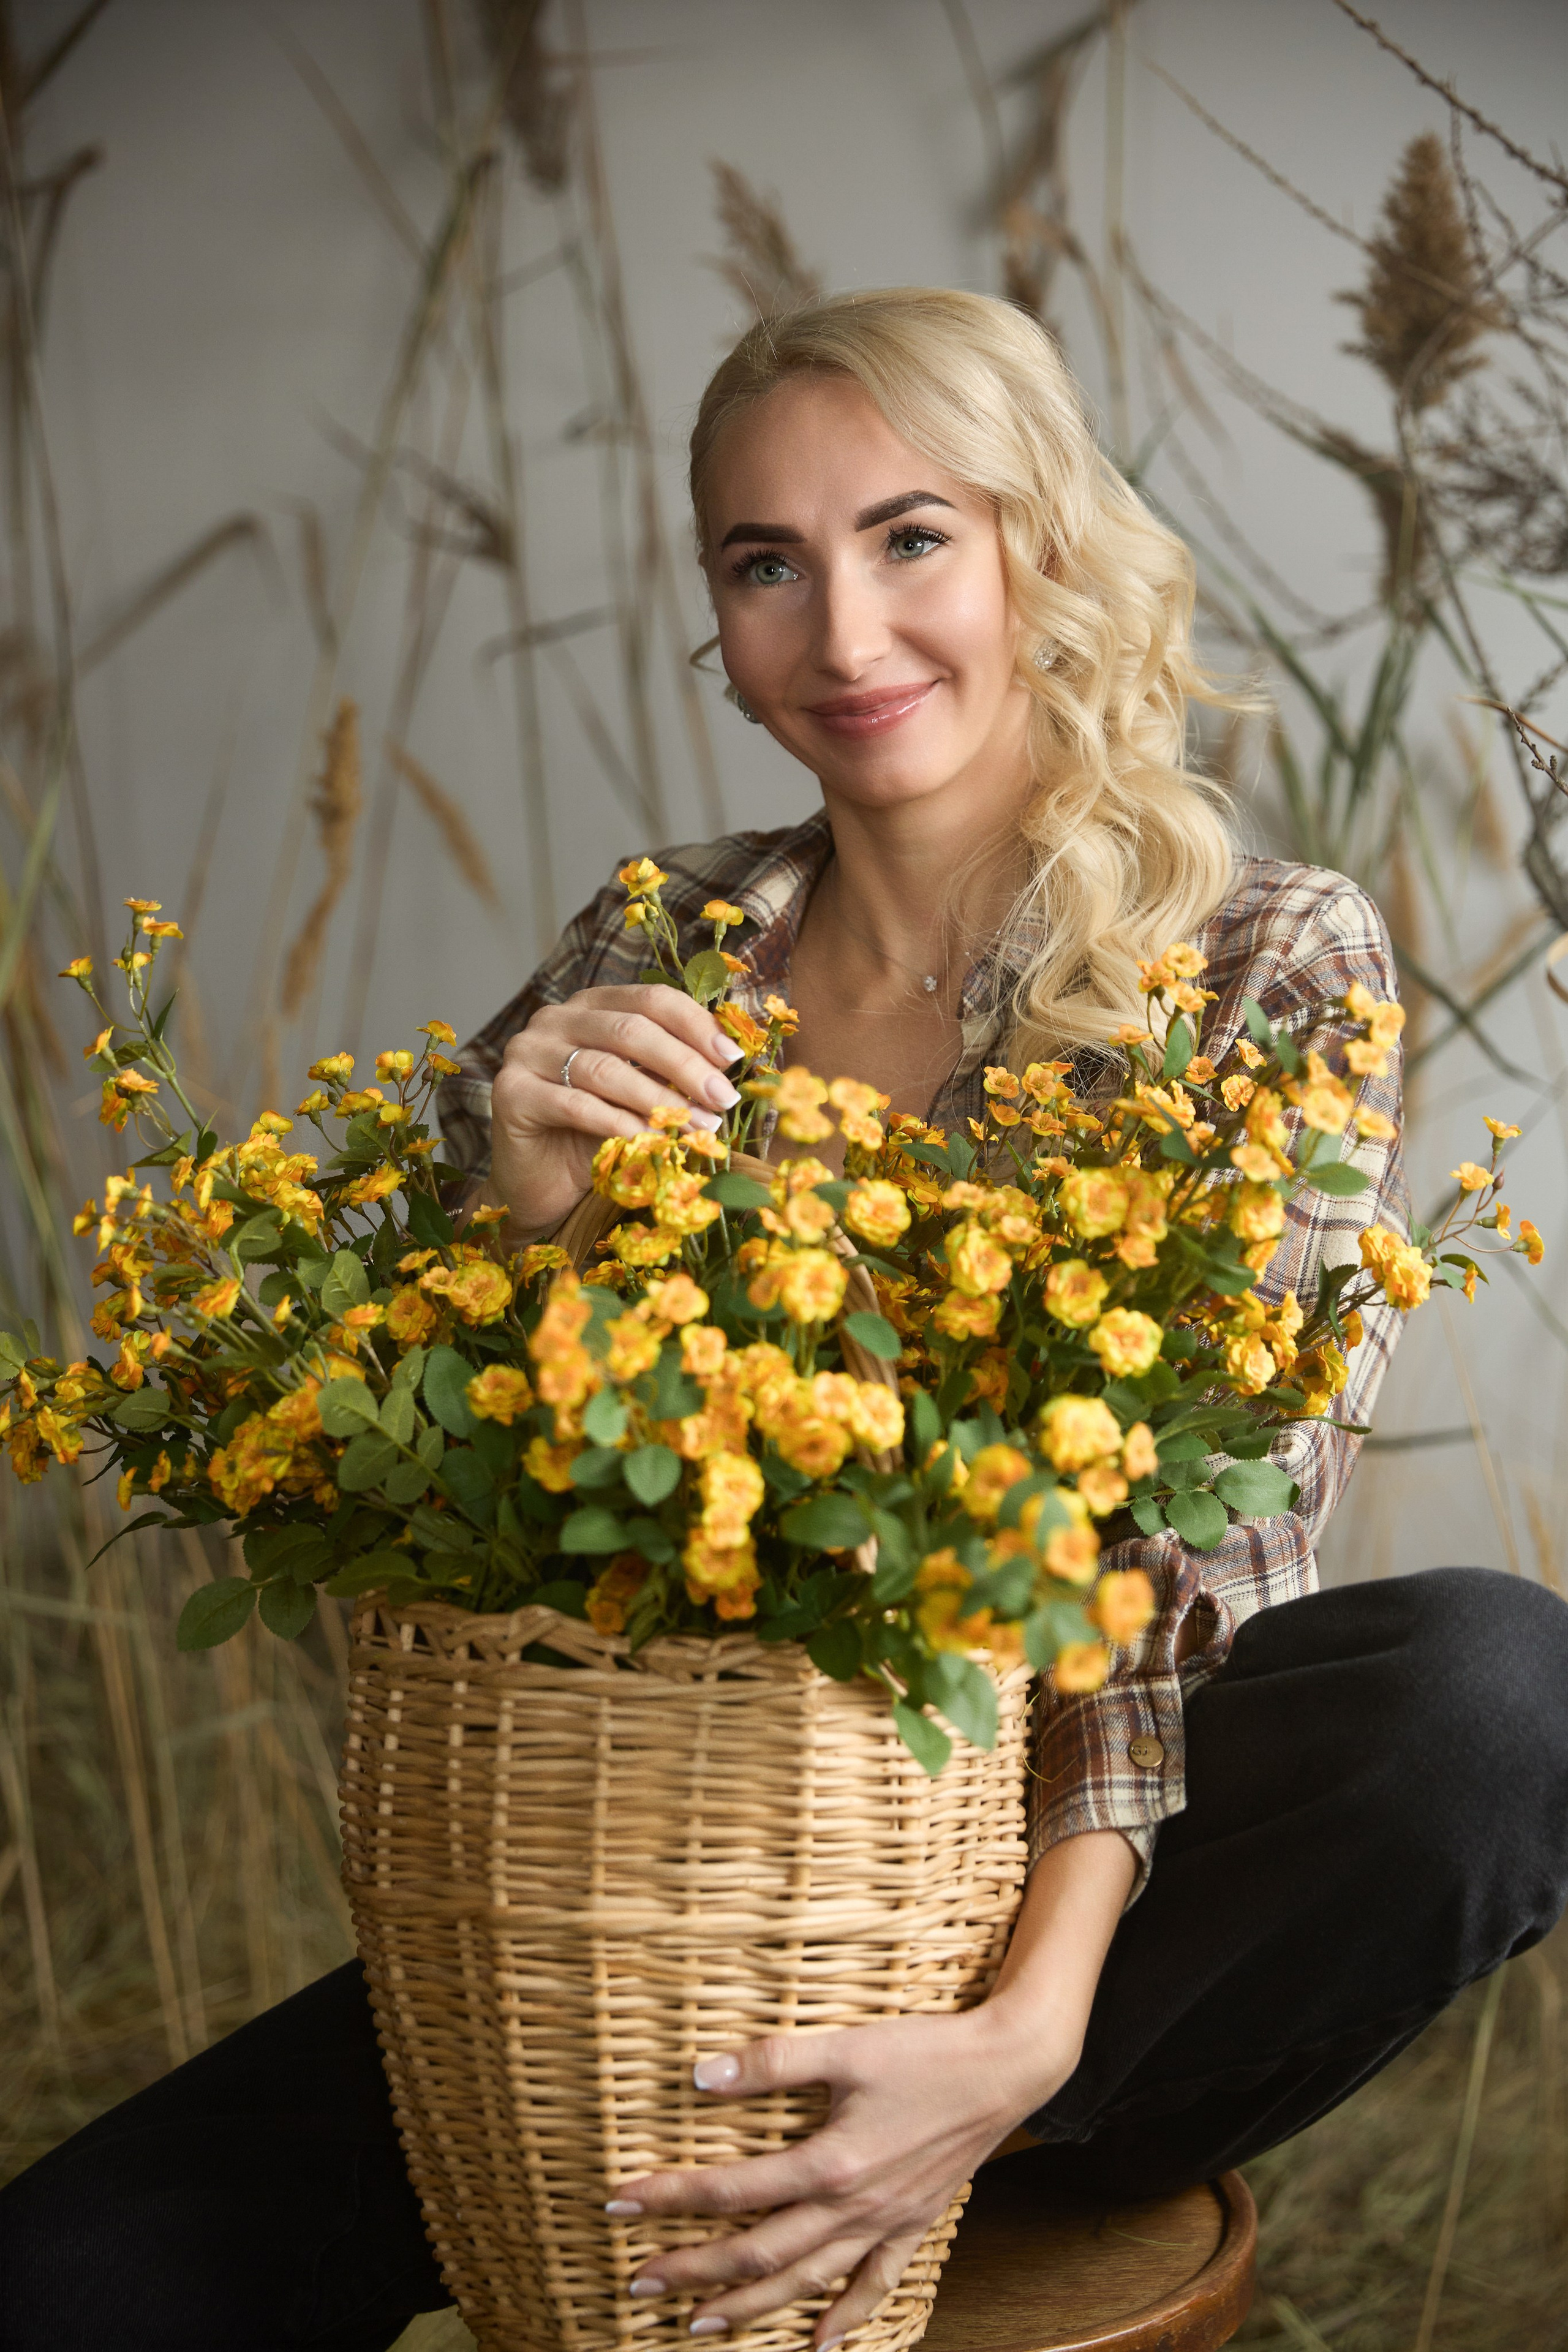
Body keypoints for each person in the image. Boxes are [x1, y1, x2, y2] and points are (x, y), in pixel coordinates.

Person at [2, 288, 1565, 2352]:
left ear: (1039, 550)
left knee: (1491, 1694)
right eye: (767, 564)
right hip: (674, 1897)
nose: (843, 631)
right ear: (720, 624)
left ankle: (960, 2122)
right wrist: (523, 1216)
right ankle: (720, 2131)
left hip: (1098, 1903)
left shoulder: (1263, 957)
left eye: (911, 536)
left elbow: (1201, 1549)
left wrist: (1026, 2025)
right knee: (65, 2285)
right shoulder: (658, 945)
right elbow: (438, 1505)